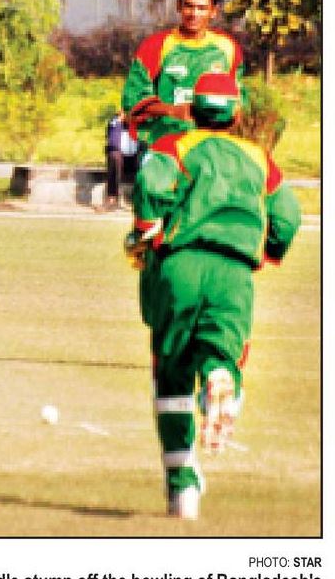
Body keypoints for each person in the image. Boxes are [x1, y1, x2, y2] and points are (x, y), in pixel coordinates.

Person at [124, 72, 301, 520]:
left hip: (179, 265)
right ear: (236, 113)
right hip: (234, 271)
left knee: (171, 375)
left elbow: (149, 187)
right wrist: (268, 250)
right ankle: (219, 379)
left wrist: (145, 231)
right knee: (223, 351)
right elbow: (288, 215)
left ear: (191, 110)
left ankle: (182, 486)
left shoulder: (174, 146)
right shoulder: (259, 158)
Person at [101, 0, 247, 213]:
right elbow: (133, 99)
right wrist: (172, 110)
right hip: (163, 149)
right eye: (189, 6)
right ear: (178, 6)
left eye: (202, 8)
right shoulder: (156, 46)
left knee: (201, 219)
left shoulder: (228, 48)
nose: (194, 14)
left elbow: (238, 99)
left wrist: (231, 117)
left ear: (214, 11)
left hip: (208, 152)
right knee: (157, 218)